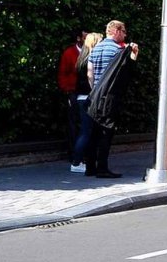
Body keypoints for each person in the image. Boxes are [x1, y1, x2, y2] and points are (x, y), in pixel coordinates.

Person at [85, 20, 140, 178]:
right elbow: (127, 73)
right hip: (109, 98)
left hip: (94, 97)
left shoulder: (95, 49)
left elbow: (90, 73)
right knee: (106, 133)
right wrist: (134, 55)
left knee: (93, 133)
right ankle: (102, 168)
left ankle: (90, 167)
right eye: (123, 31)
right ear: (116, 31)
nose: (125, 35)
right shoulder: (118, 50)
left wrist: (95, 90)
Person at [70, 32, 103, 173]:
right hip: (87, 97)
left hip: (80, 97)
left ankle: (80, 161)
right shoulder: (90, 59)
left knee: (85, 131)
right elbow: (90, 77)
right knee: (86, 132)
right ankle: (76, 162)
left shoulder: (81, 59)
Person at [56, 28, 85, 161]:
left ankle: (82, 151)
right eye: (84, 37)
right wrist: (67, 90)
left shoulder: (89, 52)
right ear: (78, 38)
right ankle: (74, 152)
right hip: (73, 91)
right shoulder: (69, 53)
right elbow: (63, 73)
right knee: (73, 122)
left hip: (85, 91)